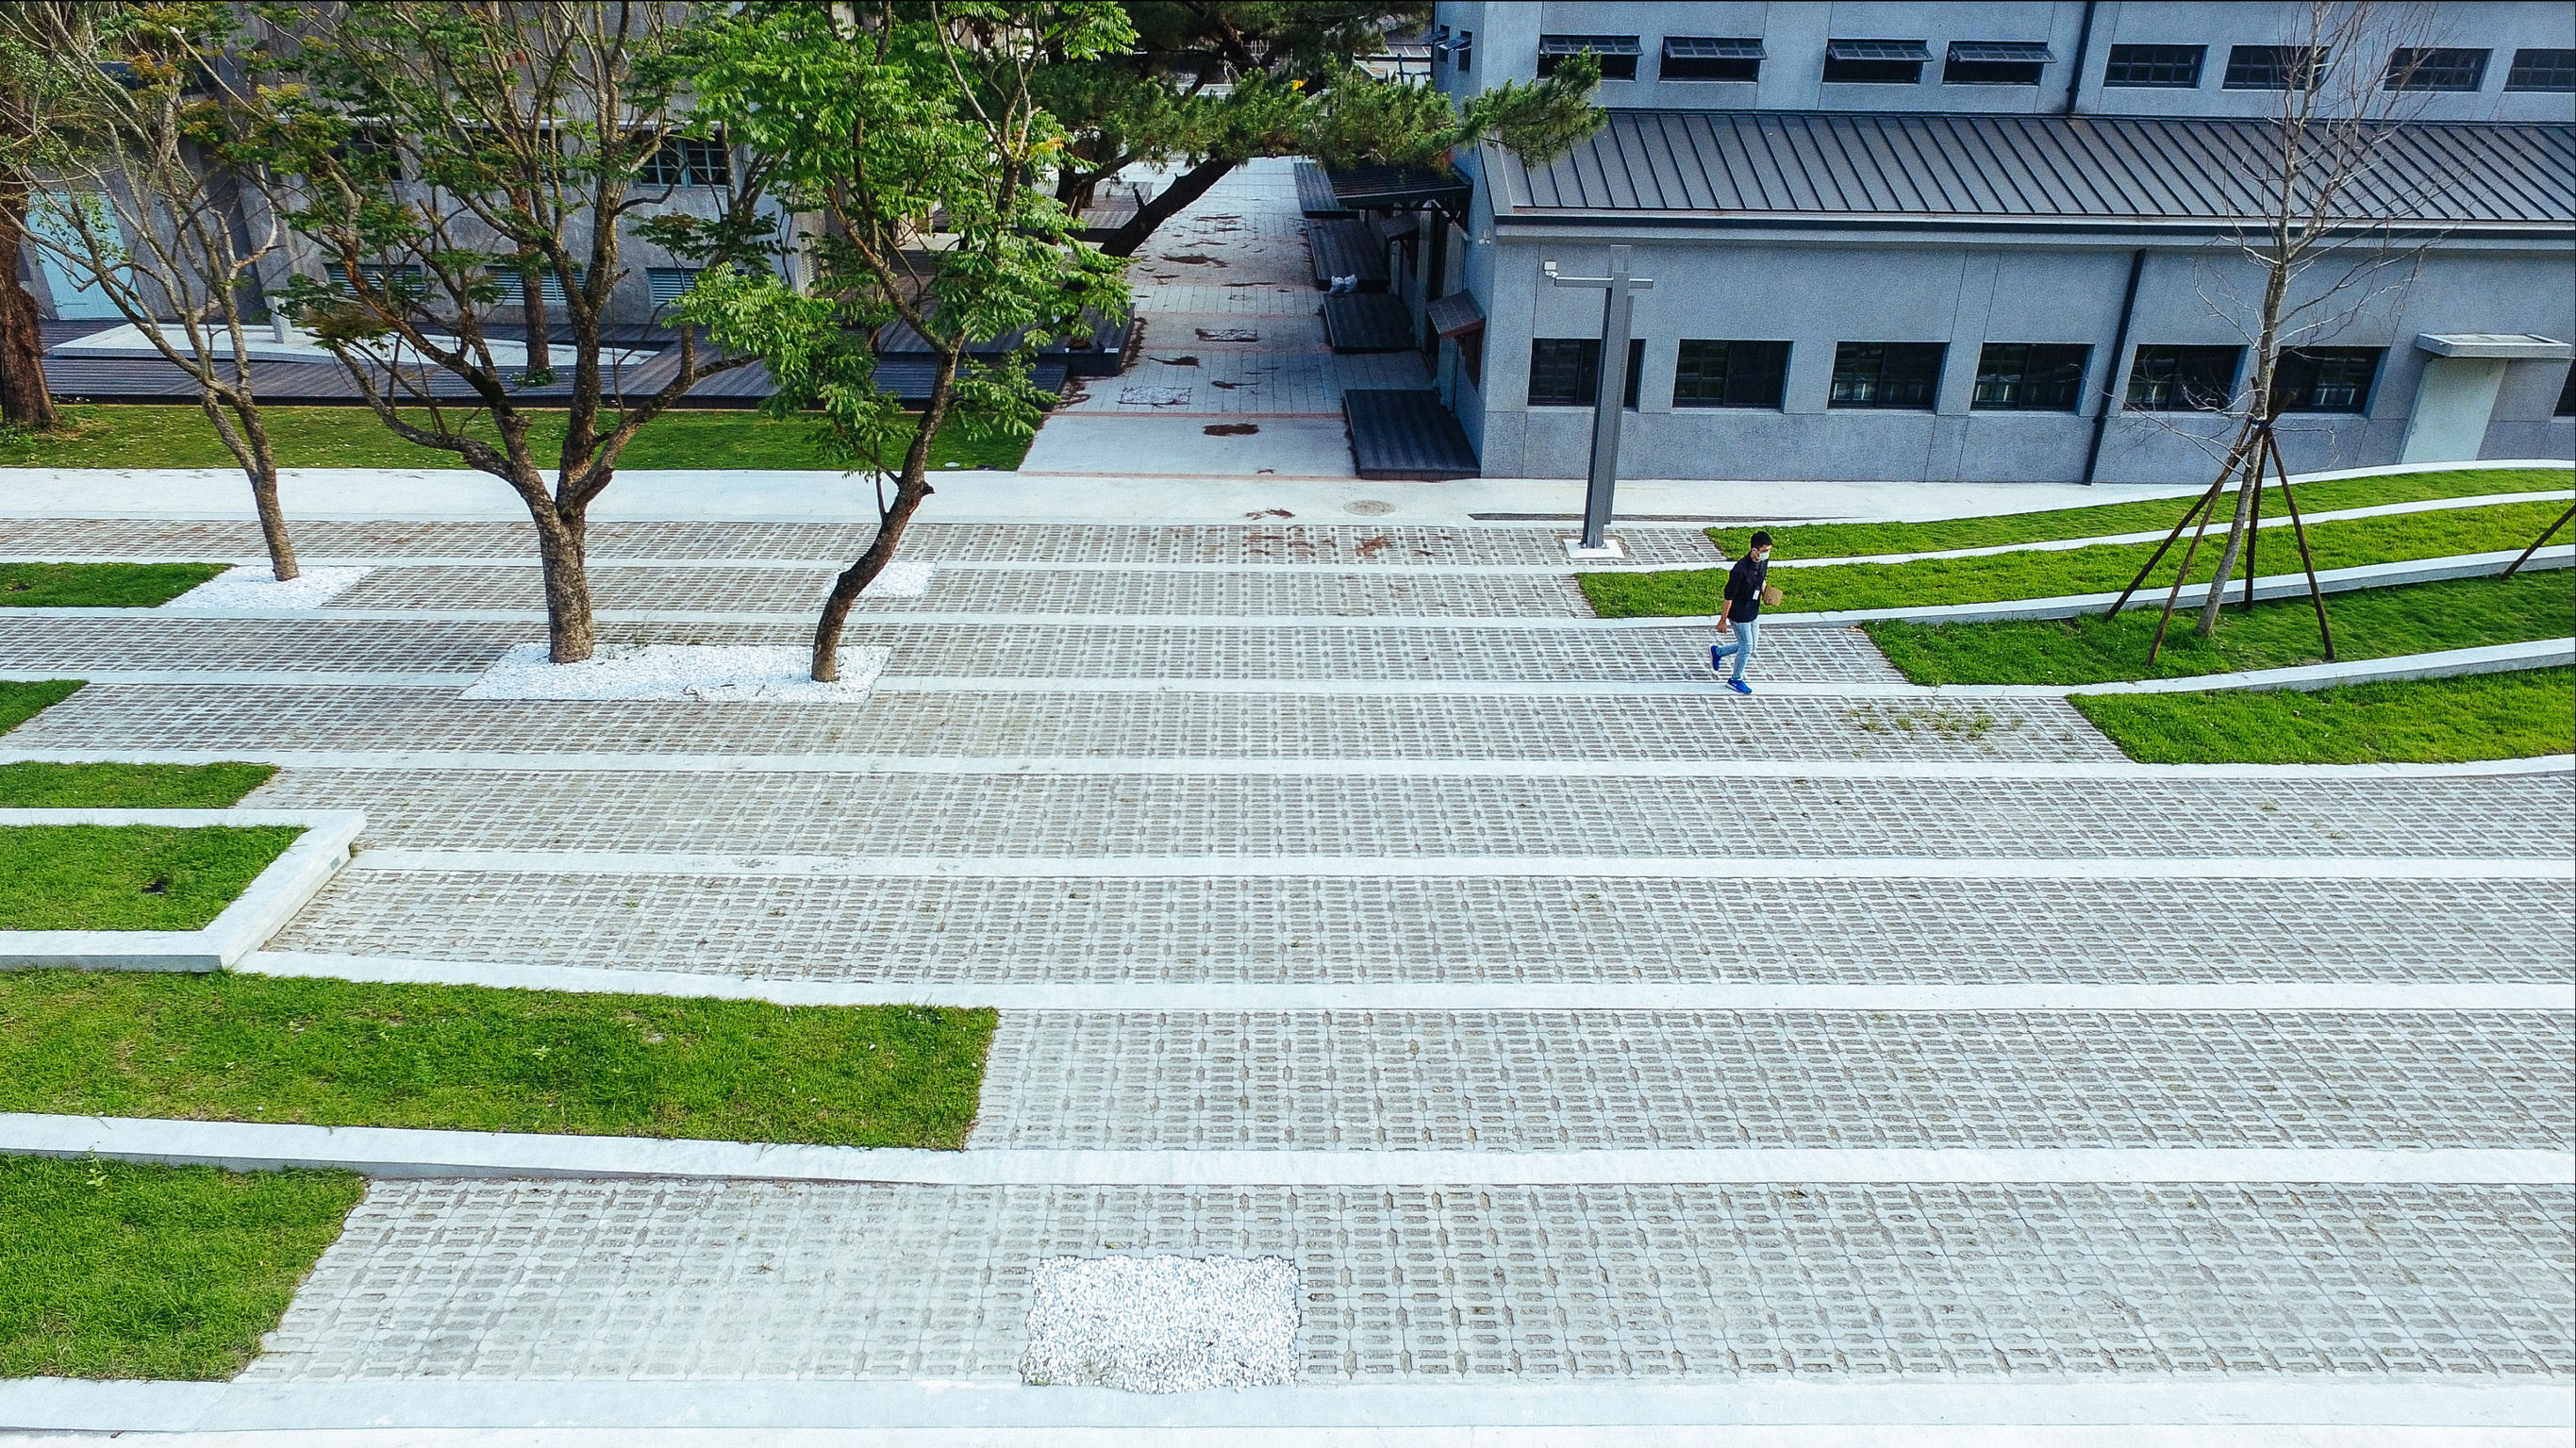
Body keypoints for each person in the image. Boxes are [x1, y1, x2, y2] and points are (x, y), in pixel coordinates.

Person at [1708, 530, 1775, 694]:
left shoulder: (1762, 562)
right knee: (1746, 647)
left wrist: (1766, 594)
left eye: (1769, 550)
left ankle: (1718, 652)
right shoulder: (1739, 571)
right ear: (1754, 550)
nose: (1767, 554)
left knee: (1751, 647)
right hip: (1740, 614)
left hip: (1753, 610)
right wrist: (1723, 620)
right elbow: (1729, 597)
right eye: (1764, 551)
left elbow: (1762, 580)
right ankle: (1735, 679)